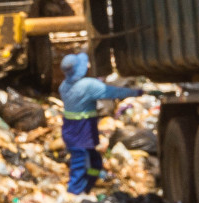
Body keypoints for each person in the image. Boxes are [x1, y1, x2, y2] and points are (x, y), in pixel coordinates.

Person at [59, 53, 144, 195]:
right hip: (82, 131)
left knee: (95, 164)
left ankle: (89, 185)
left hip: (72, 131)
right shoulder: (87, 85)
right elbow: (113, 92)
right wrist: (137, 92)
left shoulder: (64, 86)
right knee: (80, 165)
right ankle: (74, 194)